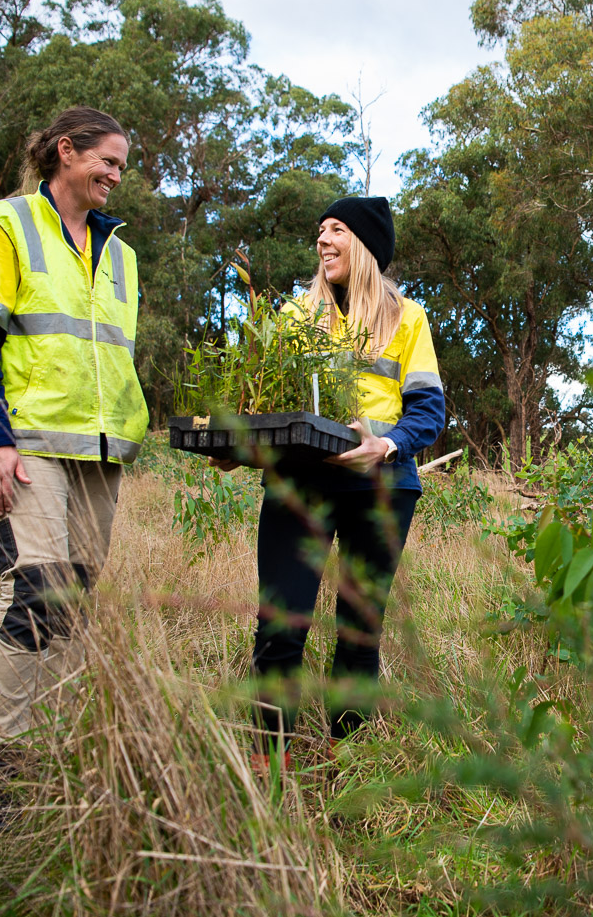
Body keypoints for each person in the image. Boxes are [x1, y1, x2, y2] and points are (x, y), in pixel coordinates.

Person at [0, 106, 147, 831]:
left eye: (122, 166)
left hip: (100, 455)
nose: (117, 176)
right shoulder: (5, 225)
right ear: (67, 151)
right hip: (24, 445)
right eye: (109, 161)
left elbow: (113, 360)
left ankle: (43, 756)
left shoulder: (121, 255)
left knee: (69, 610)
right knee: (35, 590)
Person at [212, 195, 444, 773]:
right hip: (301, 485)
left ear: (364, 246)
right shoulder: (295, 317)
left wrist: (383, 442)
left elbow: (428, 412)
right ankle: (271, 759)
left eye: (337, 229)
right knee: (282, 621)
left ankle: (349, 756)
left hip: (382, 486)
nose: (323, 239)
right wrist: (237, 446)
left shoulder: (408, 319)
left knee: (360, 625)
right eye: (320, 230)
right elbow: (260, 405)